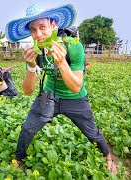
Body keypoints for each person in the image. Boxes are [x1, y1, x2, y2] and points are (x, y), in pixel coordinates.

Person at [6, 4, 118, 173]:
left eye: (42, 27)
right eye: (33, 30)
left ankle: (108, 157)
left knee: (92, 132)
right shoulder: (36, 51)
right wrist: (30, 65)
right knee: (28, 128)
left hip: (75, 98)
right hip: (49, 94)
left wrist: (61, 63)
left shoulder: (73, 46)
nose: (38, 35)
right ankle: (19, 158)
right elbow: (28, 91)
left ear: (53, 25)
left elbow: (76, 86)